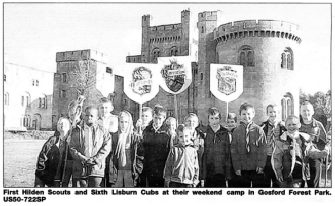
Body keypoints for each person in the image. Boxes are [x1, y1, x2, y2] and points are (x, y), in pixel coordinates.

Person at [272, 115, 329, 187]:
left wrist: (321, 153)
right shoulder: (282, 140)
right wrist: (278, 171)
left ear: (299, 125)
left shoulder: (304, 139)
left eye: (294, 124)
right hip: (285, 175)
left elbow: (311, 152)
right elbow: (276, 158)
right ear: (286, 126)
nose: (291, 126)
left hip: (300, 175)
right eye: (289, 125)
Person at [69, 106, 111, 187]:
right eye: (87, 115)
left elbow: (107, 147)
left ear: (97, 117)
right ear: (84, 116)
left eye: (92, 116)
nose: (89, 117)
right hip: (80, 168)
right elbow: (72, 147)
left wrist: (95, 159)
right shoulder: (76, 130)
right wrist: (83, 158)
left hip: (96, 168)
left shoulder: (103, 131)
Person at [231, 103, 267, 187]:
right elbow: (234, 150)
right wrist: (237, 167)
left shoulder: (259, 130)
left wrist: (260, 165)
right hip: (242, 167)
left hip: (256, 167)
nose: (246, 116)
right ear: (240, 115)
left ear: (253, 114)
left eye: (248, 114)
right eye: (243, 114)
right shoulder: (236, 131)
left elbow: (263, 149)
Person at [136, 105, 170, 187]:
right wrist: (139, 140)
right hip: (149, 165)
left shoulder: (167, 132)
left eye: (159, 118)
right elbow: (142, 149)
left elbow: (169, 149)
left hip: (161, 166)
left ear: (164, 118)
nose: (157, 121)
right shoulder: (147, 130)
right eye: (155, 118)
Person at [34, 117, 70, 187]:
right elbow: (42, 156)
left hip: (61, 177)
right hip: (49, 174)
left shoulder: (70, 142)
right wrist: (41, 171)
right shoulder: (52, 140)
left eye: (64, 123)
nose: (62, 124)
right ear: (57, 126)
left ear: (69, 126)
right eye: (60, 123)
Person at [299, 101, 327, 188]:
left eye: (308, 110)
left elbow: (324, 142)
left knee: (314, 185)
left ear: (312, 112)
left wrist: (325, 151)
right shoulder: (296, 124)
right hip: (299, 158)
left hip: (314, 158)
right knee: (298, 185)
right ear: (300, 112)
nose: (306, 113)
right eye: (304, 111)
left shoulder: (318, 125)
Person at [201, 108, 231, 187]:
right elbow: (203, 154)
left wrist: (228, 175)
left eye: (216, 118)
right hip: (208, 169)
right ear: (208, 119)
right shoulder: (204, 132)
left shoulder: (224, 132)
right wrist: (202, 176)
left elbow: (227, 153)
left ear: (220, 119)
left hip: (221, 169)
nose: (214, 121)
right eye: (212, 118)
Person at [108, 111, 139, 187]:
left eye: (126, 122)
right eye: (121, 122)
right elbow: (111, 156)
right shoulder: (114, 136)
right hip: (117, 171)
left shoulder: (134, 137)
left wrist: (137, 171)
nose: (124, 125)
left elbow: (139, 156)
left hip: (130, 171)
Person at [259, 104, 286, 188]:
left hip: (278, 159)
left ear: (278, 113)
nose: (273, 114)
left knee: (277, 184)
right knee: (265, 183)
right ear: (267, 113)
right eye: (270, 112)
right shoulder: (262, 127)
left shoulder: (283, 127)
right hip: (267, 158)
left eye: (275, 112)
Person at [183, 113, 205, 183]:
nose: (191, 123)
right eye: (189, 121)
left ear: (197, 123)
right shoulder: (180, 136)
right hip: (185, 171)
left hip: (198, 169)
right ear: (184, 122)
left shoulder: (201, 136)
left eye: (194, 121)